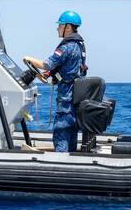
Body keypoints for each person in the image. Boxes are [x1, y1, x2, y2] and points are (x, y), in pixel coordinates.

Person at [23, 10, 87, 153]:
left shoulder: (66, 47)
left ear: (68, 27)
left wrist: (28, 58)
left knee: (61, 134)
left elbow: (46, 64)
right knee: (71, 134)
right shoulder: (79, 46)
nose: (57, 28)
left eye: (60, 25)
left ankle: (60, 164)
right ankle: (70, 165)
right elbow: (70, 69)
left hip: (66, 100)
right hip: (75, 100)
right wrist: (51, 74)